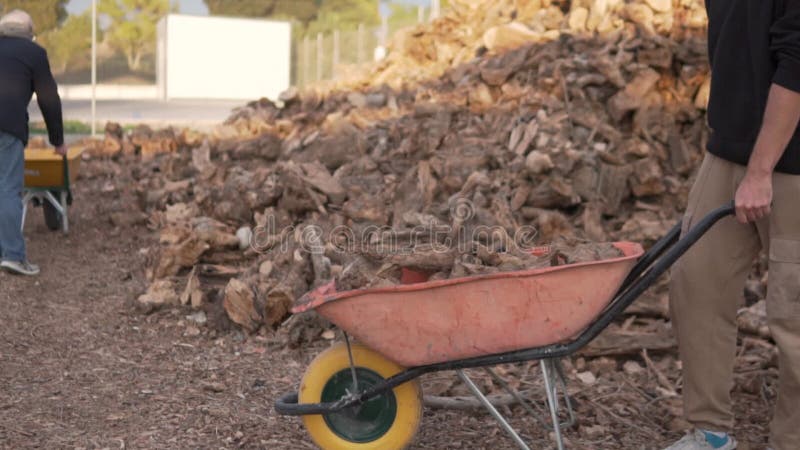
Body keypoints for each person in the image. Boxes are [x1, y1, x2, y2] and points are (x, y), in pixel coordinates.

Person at [665, 1, 800, 450]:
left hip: (793, 165)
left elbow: (797, 64)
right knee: (696, 281)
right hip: (727, 152)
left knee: (794, 316)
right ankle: (710, 433)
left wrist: (761, 172)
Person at [0, 10, 66, 276]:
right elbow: (49, 98)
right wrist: (58, 140)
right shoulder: (34, 53)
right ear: (28, 30)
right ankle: (13, 255)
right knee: (7, 189)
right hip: (8, 128)